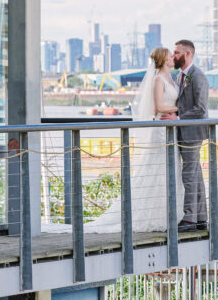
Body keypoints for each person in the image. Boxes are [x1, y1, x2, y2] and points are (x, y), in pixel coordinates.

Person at [52, 47, 184, 234]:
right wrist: (179, 109)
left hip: (171, 128)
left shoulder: (172, 78)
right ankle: (153, 215)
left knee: (170, 169)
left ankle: (167, 212)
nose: (173, 58)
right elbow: (159, 106)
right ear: (163, 60)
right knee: (157, 168)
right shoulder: (158, 79)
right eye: (170, 56)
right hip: (161, 129)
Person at [172, 39, 209, 232]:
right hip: (183, 132)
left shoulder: (198, 76)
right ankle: (201, 217)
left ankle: (189, 218)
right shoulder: (179, 77)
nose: (173, 56)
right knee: (195, 174)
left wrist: (178, 117)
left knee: (189, 175)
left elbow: (201, 108)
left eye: (177, 52)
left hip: (193, 133)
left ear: (188, 54)